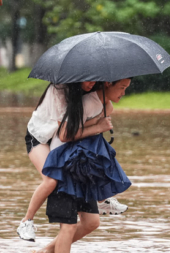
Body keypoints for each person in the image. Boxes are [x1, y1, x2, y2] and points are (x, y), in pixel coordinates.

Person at [29, 78, 132, 253]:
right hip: (64, 164)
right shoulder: (86, 103)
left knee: (91, 222)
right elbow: (65, 134)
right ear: (107, 83)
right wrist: (98, 126)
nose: (124, 93)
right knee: (67, 226)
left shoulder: (102, 105)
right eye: (122, 88)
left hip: (79, 167)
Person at [17, 82, 112, 241]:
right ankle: (26, 221)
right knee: (51, 180)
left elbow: (78, 125)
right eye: (87, 80)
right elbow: (66, 132)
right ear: (77, 77)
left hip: (60, 139)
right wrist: (96, 125)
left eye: (94, 80)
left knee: (87, 161)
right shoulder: (59, 90)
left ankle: (101, 198)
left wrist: (102, 112)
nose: (91, 84)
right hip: (40, 138)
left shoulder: (88, 89)